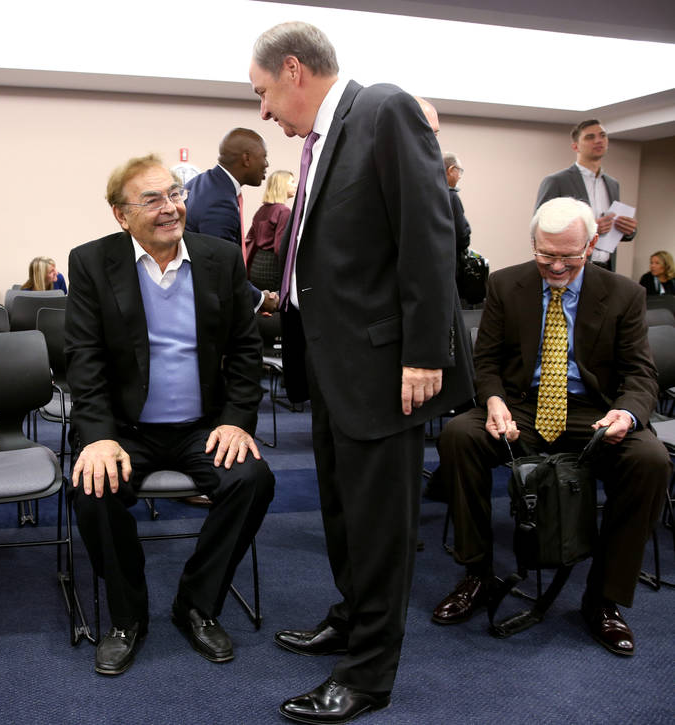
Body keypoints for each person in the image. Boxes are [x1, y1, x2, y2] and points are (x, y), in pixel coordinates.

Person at [249, 21, 473, 724]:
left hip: (387, 367)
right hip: (333, 367)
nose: (262, 111)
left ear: (293, 71)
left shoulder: (384, 108)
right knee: (344, 515)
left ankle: (369, 674)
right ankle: (351, 618)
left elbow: (428, 232)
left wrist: (425, 351)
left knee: (380, 526)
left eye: (261, 93)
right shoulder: (323, 139)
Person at [65, 154, 275, 677]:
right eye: (152, 199)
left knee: (252, 479)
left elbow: (246, 352)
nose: (170, 208)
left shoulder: (221, 258)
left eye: (175, 195)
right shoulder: (92, 262)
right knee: (94, 489)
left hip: (201, 427)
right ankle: (127, 619)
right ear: (121, 215)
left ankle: (196, 605)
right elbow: (84, 360)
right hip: (124, 429)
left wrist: (235, 421)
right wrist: (97, 436)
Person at [431, 197, 668, 656]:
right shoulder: (506, 284)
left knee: (650, 460)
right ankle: (477, 575)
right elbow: (488, 361)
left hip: (591, 410)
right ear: (533, 243)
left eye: (568, 256)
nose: (556, 266)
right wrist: (494, 399)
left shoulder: (624, 294)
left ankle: (603, 599)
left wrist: (628, 413)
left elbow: (641, 374)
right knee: (459, 436)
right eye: (546, 254)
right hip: (521, 405)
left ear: (592, 245)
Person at [185, 128, 279, 313]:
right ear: (247, 159)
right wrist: (260, 300)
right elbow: (220, 269)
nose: (266, 164)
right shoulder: (219, 202)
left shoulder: (202, 183)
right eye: (264, 157)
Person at [535, 119, 637, 271]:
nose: (598, 140)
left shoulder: (612, 184)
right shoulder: (557, 181)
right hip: (569, 267)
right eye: (590, 137)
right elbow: (539, 227)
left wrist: (629, 230)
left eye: (602, 135)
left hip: (606, 267)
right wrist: (589, 229)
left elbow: (612, 231)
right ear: (575, 146)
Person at [245, 170, 295, 292]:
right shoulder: (284, 211)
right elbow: (280, 247)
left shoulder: (262, 209)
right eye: (292, 182)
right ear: (282, 185)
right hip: (272, 267)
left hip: (257, 265)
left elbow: (250, 238)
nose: (295, 185)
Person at [444, 151, 471, 259]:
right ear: (450, 170)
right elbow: (461, 236)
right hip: (450, 260)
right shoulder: (451, 196)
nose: (459, 177)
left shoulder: (429, 193)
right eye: (459, 171)